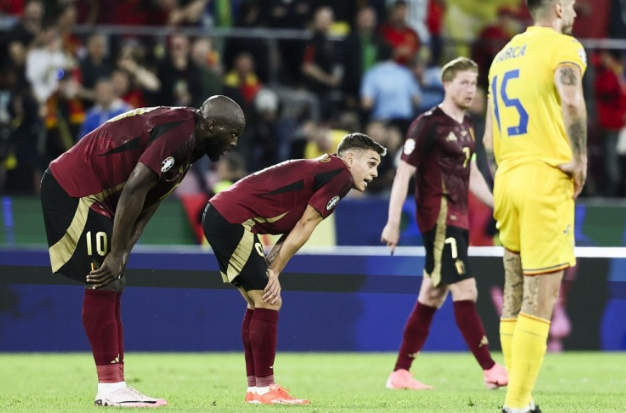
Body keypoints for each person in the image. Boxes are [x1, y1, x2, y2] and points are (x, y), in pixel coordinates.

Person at [40, 95, 245, 407]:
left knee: (114, 279)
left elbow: (150, 200)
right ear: (213, 125)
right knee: (104, 280)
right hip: (77, 189)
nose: (234, 143)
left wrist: (123, 252)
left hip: (98, 195)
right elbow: (135, 187)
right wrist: (115, 254)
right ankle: (111, 388)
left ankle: (115, 384)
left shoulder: (190, 142)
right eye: (232, 133)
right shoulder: (180, 133)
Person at [203, 133, 386, 405]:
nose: (375, 173)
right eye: (371, 164)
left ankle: (256, 389)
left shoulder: (325, 169)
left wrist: (273, 264)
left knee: (258, 302)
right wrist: (274, 272)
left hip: (224, 215)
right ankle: (265, 388)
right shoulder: (341, 175)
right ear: (350, 158)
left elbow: (293, 225)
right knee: (269, 300)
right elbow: (305, 225)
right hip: (233, 219)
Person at [483, 0, 588, 412]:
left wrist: (504, 176)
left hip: (507, 178)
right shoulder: (564, 47)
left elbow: (488, 138)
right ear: (558, 8)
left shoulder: (502, 56)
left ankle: (520, 401)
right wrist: (580, 159)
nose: (575, 11)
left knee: (514, 292)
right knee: (541, 299)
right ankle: (517, 405)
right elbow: (572, 101)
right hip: (544, 177)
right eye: (572, 4)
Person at [381, 57, 508, 391]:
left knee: (432, 294)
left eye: (473, 83)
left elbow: (472, 173)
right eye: (463, 82)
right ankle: (491, 369)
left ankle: (400, 373)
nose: (470, 89)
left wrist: (500, 207)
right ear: (447, 84)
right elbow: (403, 174)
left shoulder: (467, 125)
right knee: (466, 288)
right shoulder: (427, 124)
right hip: (438, 219)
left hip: (459, 219)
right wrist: (393, 222)